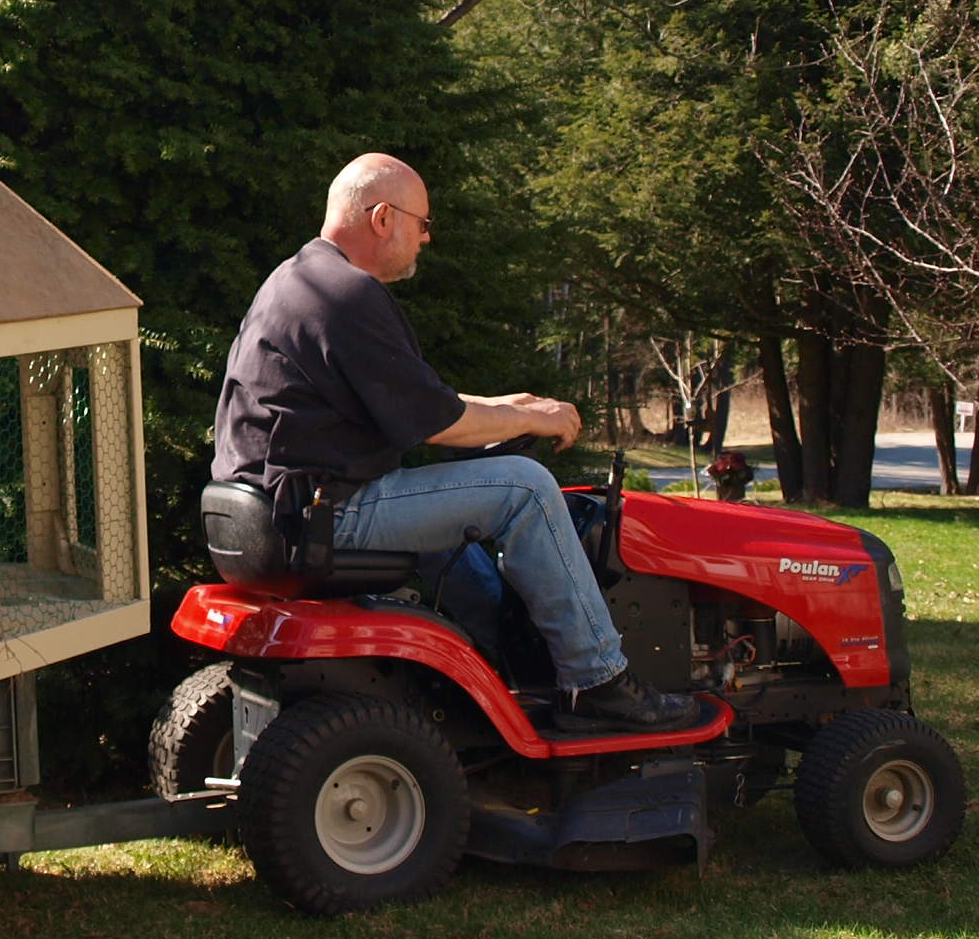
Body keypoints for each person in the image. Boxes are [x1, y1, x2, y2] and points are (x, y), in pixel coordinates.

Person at [212, 152, 698, 732]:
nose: (425, 240)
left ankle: (510, 658)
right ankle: (598, 680)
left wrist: (511, 407)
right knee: (526, 487)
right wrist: (532, 422)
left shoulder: (301, 280)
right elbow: (438, 423)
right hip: (318, 515)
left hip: (277, 512)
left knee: (455, 527)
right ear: (383, 217)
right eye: (423, 224)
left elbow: (414, 400)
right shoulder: (348, 295)